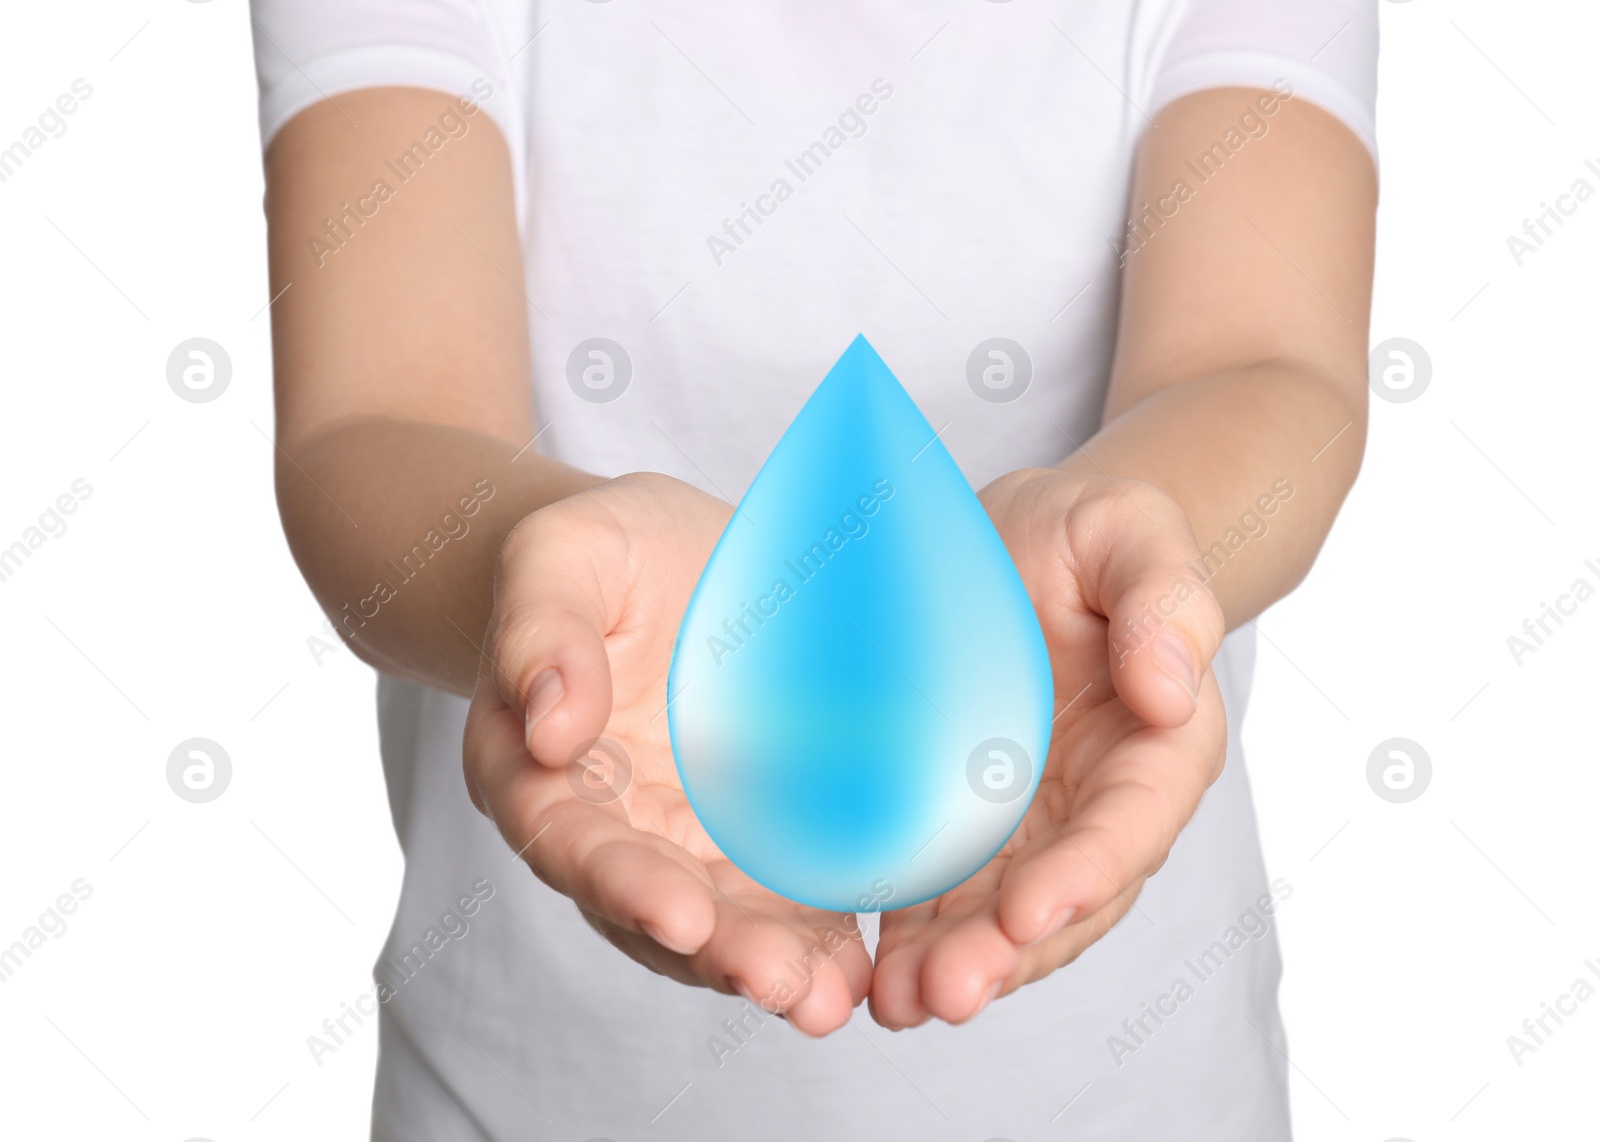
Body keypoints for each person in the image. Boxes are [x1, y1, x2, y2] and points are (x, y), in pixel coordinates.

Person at [252, 0, 1377, 1137]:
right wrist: (546, 580)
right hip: (528, 1085)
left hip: (1134, 1086)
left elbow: (1267, 365)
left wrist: (1130, 550)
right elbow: (370, 421)